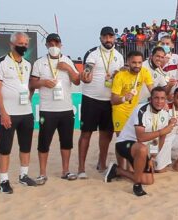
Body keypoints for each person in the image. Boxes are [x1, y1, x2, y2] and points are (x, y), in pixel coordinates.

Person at [105, 87, 175, 196]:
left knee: (149, 180)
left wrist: (152, 157)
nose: (159, 101)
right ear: (150, 99)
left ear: (166, 100)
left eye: (162, 98)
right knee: (142, 149)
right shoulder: (141, 110)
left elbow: (158, 140)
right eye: (156, 98)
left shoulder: (165, 114)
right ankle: (137, 185)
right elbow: (141, 137)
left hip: (140, 148)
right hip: (125, 143)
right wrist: (162, 131)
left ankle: (117, 170)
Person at [30, 33, 80, 184]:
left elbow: (77, 81)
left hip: (66, 109)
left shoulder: (67, 61)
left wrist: (68, 69)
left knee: (66, 142)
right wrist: (43, 82)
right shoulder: (39, 63)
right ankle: (42, 173)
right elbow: (32, 84)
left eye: (56, 44)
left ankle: (66, 171)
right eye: (50, 44)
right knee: (44, 142)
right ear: (46, 45)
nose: (53, 47)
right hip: (47, 109)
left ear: (61, 45)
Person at [0, 32, 37, 193]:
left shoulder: (27, 64)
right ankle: (4, 181)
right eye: (21, 43)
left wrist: (30, 99)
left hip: (26, 113)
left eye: (26, 44)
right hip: (8, 113)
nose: (24, 46)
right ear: (12, 44)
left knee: (25, 146)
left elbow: (28, 86)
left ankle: (23, 176)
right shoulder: (1, 62)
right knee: (5, 148)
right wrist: (3, 112)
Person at [78, 26, 124, 178]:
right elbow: (88, 69)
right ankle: (81, 169)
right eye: (105, 37)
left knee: (107, 135)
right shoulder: (93, 54)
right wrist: (86, 74)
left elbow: (121, 77)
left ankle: (102, 163)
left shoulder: (119, 56)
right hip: (91, 99)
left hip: (109, 101)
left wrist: (118, 75)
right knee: (86, 134)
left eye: (111, 37)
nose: (108, 40)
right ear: (100, 38)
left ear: (114, 38)